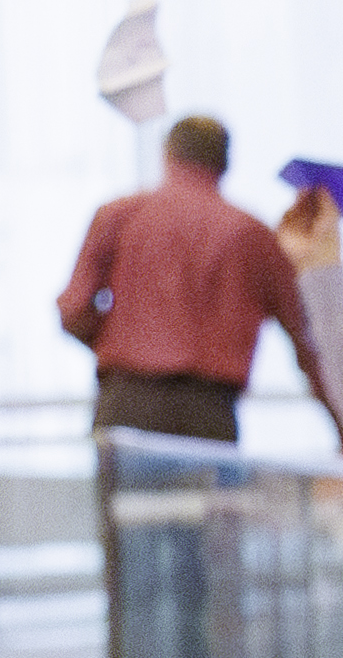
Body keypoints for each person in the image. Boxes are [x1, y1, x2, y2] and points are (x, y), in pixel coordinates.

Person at [59, 114, 302, 444]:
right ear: (225, 164)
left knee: (125, 497)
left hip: (127, 403)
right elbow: (304, 340)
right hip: (208, 412)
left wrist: (122, 340)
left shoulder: (120, 215)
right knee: (210, 496)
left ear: (167, 155)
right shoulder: (253, 235)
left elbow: (73, 311)